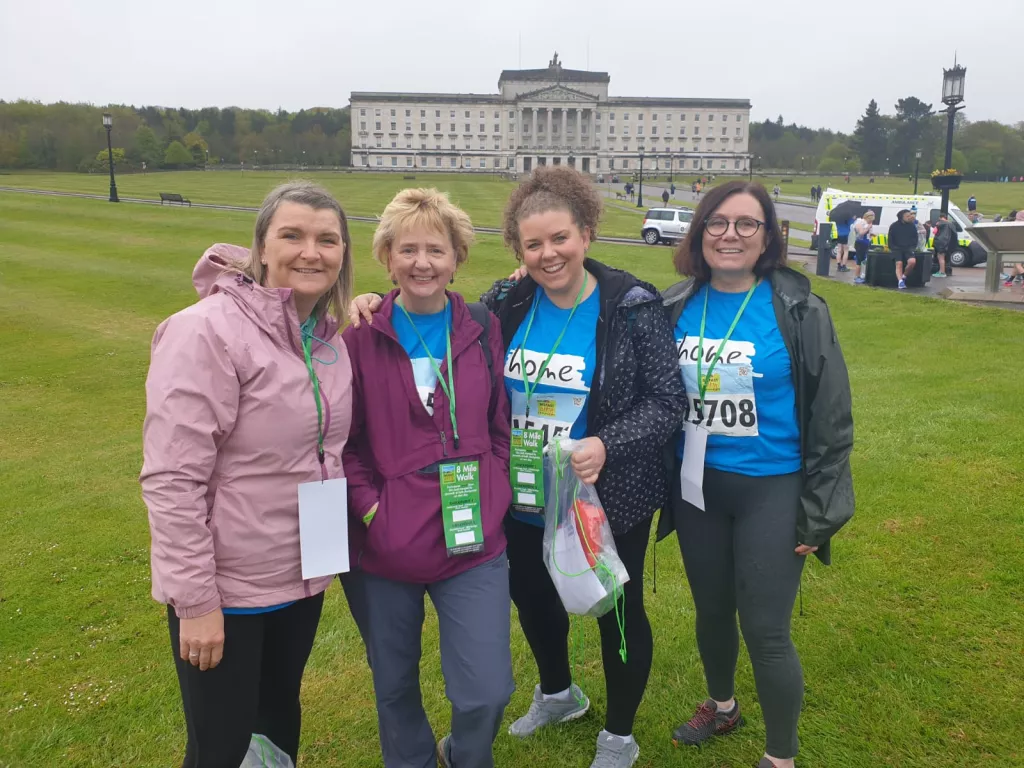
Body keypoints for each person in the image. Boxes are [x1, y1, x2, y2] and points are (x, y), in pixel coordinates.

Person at [348, 166, 687, 768]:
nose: (548, 253)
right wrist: (376, 301)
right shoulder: (508, 301)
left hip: (601, 492)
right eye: (533, 244)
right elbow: (438, 326)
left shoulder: (632, 305)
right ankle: (559, 693)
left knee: (615, 611)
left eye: (560, 239)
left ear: (585, 233)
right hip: (522, 494)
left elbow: (667, 404)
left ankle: (619, 734)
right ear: (517, 249)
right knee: (533, 600)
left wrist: (607, 443)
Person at [141, 181, 359, 768]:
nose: (311, 251)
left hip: (300, 573)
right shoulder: (204, 330)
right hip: (228, 588)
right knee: (219, 744)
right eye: (292, 235)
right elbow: (172, 478)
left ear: (342, 254)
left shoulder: (328, 342)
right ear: (261, 247)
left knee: (278, 718)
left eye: (327, 239)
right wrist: (195, 602)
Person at [659, 180, 854, 768]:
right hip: (698, 486)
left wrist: (819, 511)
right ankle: (722, 705)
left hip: (772, 486)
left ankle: (780, 756)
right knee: (712, 609)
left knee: (766, 629)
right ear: (700, 233)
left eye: (747, 224)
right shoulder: (674, 303)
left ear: (767, 236)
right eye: (717, 223)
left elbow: (832, 417)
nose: (730, 235)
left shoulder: (799, 309)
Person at [342, 188, 514, 768]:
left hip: (472, 539)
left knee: (488, 689)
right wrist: (373, 510)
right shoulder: (359, 334)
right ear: (386, 258)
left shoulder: (481, 327)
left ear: (458, 257)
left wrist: (496, 488)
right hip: (387, 544)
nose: (422, 263)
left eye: (436, 250)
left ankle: (465, 754)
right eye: (407, 249)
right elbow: (341, 442)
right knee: (393, 684)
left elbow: (499, 422)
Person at [888, 209, 919, 290]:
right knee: (899, 263)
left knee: (912, 262)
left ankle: (904, 276)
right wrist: (893, 248)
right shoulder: (894, 226)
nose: (909, 217)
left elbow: (915, 237)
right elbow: (890, 239)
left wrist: (913, 246)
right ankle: (900, 282)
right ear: (902, 217)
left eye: (910, 216)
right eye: (907, 216)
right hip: (896, 248)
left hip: (908, 248)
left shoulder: (912, 225)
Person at [852, 211, 874, 284]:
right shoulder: (860, 223)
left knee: (864, 260)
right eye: (870, 220)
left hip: (865, 243)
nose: (871, 222)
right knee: (859, 260)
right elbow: (861, 233)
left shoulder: (866, 223)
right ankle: (856, 277)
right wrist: (868, 227)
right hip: (860, 243)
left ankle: (862, 275)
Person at [932, 213, 955, 278]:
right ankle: (940, 271)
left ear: (940, 217)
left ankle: (942, 272)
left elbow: (934, 231)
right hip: (946, 242)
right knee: (942, 257)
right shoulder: (950, 224)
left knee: (941, 258)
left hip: (940, 242)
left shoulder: (939, 223)